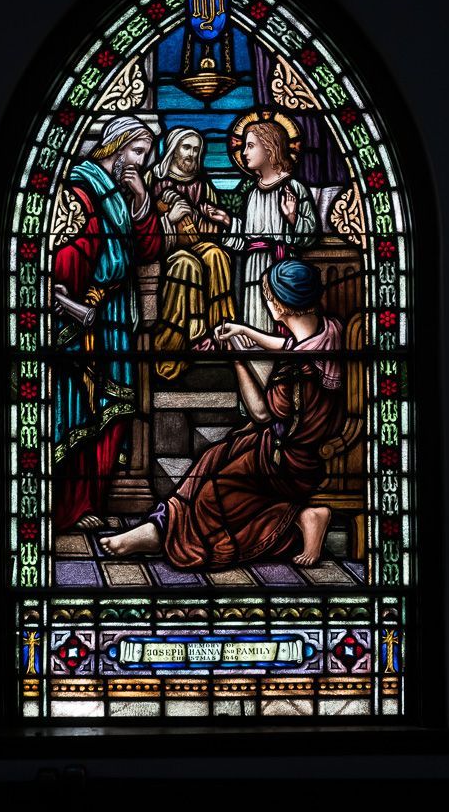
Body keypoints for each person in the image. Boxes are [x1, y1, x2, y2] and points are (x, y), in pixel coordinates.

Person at [100, 259, 344, 568]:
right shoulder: (329, 334)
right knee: (211, 457)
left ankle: (299, 519)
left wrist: (237, 360)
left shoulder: (298, 372)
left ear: (281, 306)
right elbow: (292, 345)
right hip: (289, 451)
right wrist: (246, 332)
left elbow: (260, 413)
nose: (268, 303)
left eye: (269, 296)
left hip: (285, 464)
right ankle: (157, 527)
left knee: (212, 497)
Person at [51, 116, 161, 531]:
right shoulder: (83, 189)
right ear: (114, 147)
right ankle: (68, 507)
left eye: (147, 156)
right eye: (137, 152)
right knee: (83, 407)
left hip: (114, 315)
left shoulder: (123, 193)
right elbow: (69, 251)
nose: (141, 162)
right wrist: (79, 297)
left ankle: (88, 502)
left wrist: (141, 198)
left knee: (114, 411)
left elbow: (149, 249)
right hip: (86, 316)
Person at [202, 119, 318, 334]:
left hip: (282, 268)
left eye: (250, 145)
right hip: (253, 268)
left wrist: (292, 217)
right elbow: (248, 237)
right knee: (255, 318)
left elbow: (309, 235)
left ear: (270, 147)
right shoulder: (253, 193)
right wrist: (226, 220)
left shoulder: (294, 187)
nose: (244, 152)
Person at [147, 127, 236, 380]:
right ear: (173, 149)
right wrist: (169, 218)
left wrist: (208, 221)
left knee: (216, 255)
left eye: (196, 149)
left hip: (196, 244)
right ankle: (181, 342)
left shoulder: (202, 184)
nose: (191, 154)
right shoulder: (152, 180)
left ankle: (223, 333)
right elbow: (139, 223)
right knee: (187, 263)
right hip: (165, 251)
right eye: (186, 147)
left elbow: (209, 228)